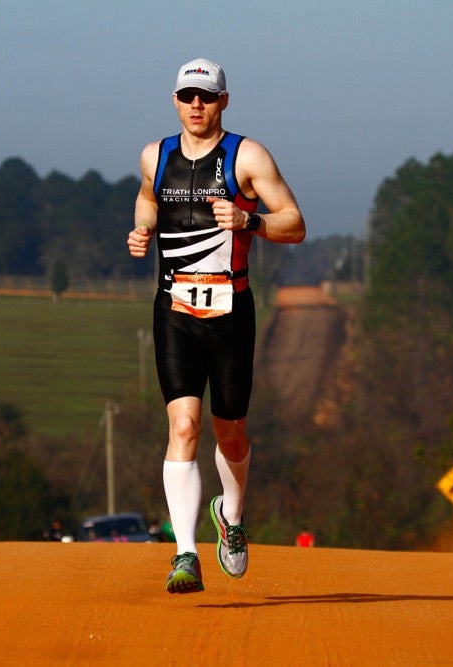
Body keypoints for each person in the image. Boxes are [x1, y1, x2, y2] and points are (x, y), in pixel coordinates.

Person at [127, 58, 306, 593]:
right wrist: (142, 229)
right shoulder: (154, 155)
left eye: (206, 96)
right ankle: (185, 554)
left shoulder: (247, 156)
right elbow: (146, 198)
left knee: (231, 432)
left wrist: (249, 219)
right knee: (183, 426)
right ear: (175, 101)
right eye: (187, 96)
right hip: (175, 310)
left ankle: (231, 515)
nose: (196, 105)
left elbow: (294, 222)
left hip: (231, 312)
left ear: (224, 100)